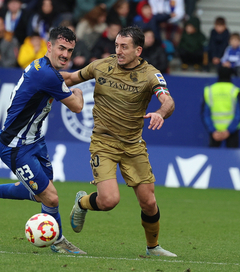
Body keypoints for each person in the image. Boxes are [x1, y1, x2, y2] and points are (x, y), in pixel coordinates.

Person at [61, 26, 176, 257]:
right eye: (116, 45)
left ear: (138, 50)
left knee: (149, 202)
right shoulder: (101, 66)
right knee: (109, 200)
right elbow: (71, 78)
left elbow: (168, 101)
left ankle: (153, 248)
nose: (119, 50)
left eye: (124, 47)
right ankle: (82, 202)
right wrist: (39, 76)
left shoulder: (151, 74)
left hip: (133, 145)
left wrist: (160, 113)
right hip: (103, 143)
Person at [0, 26, 86, 255]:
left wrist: (81, 76)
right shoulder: (46, 74)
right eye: (61, 48)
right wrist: (82, 89)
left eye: (70, 51)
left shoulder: (42, 67)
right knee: (51, 198)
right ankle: (58, 242)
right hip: (15, 146)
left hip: (34, 140)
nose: (65, 54)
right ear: (50, 46)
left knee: (41, 193)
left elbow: (65, 78)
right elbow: (77, 106)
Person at [202, 66, 240, 148]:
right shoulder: (235, 91)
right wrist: (229, 130)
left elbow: (205, 113)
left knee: (212, 158)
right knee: (233, 159)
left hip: (215, 132)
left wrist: (213, 131)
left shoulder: (209, 90)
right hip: (232, 132)